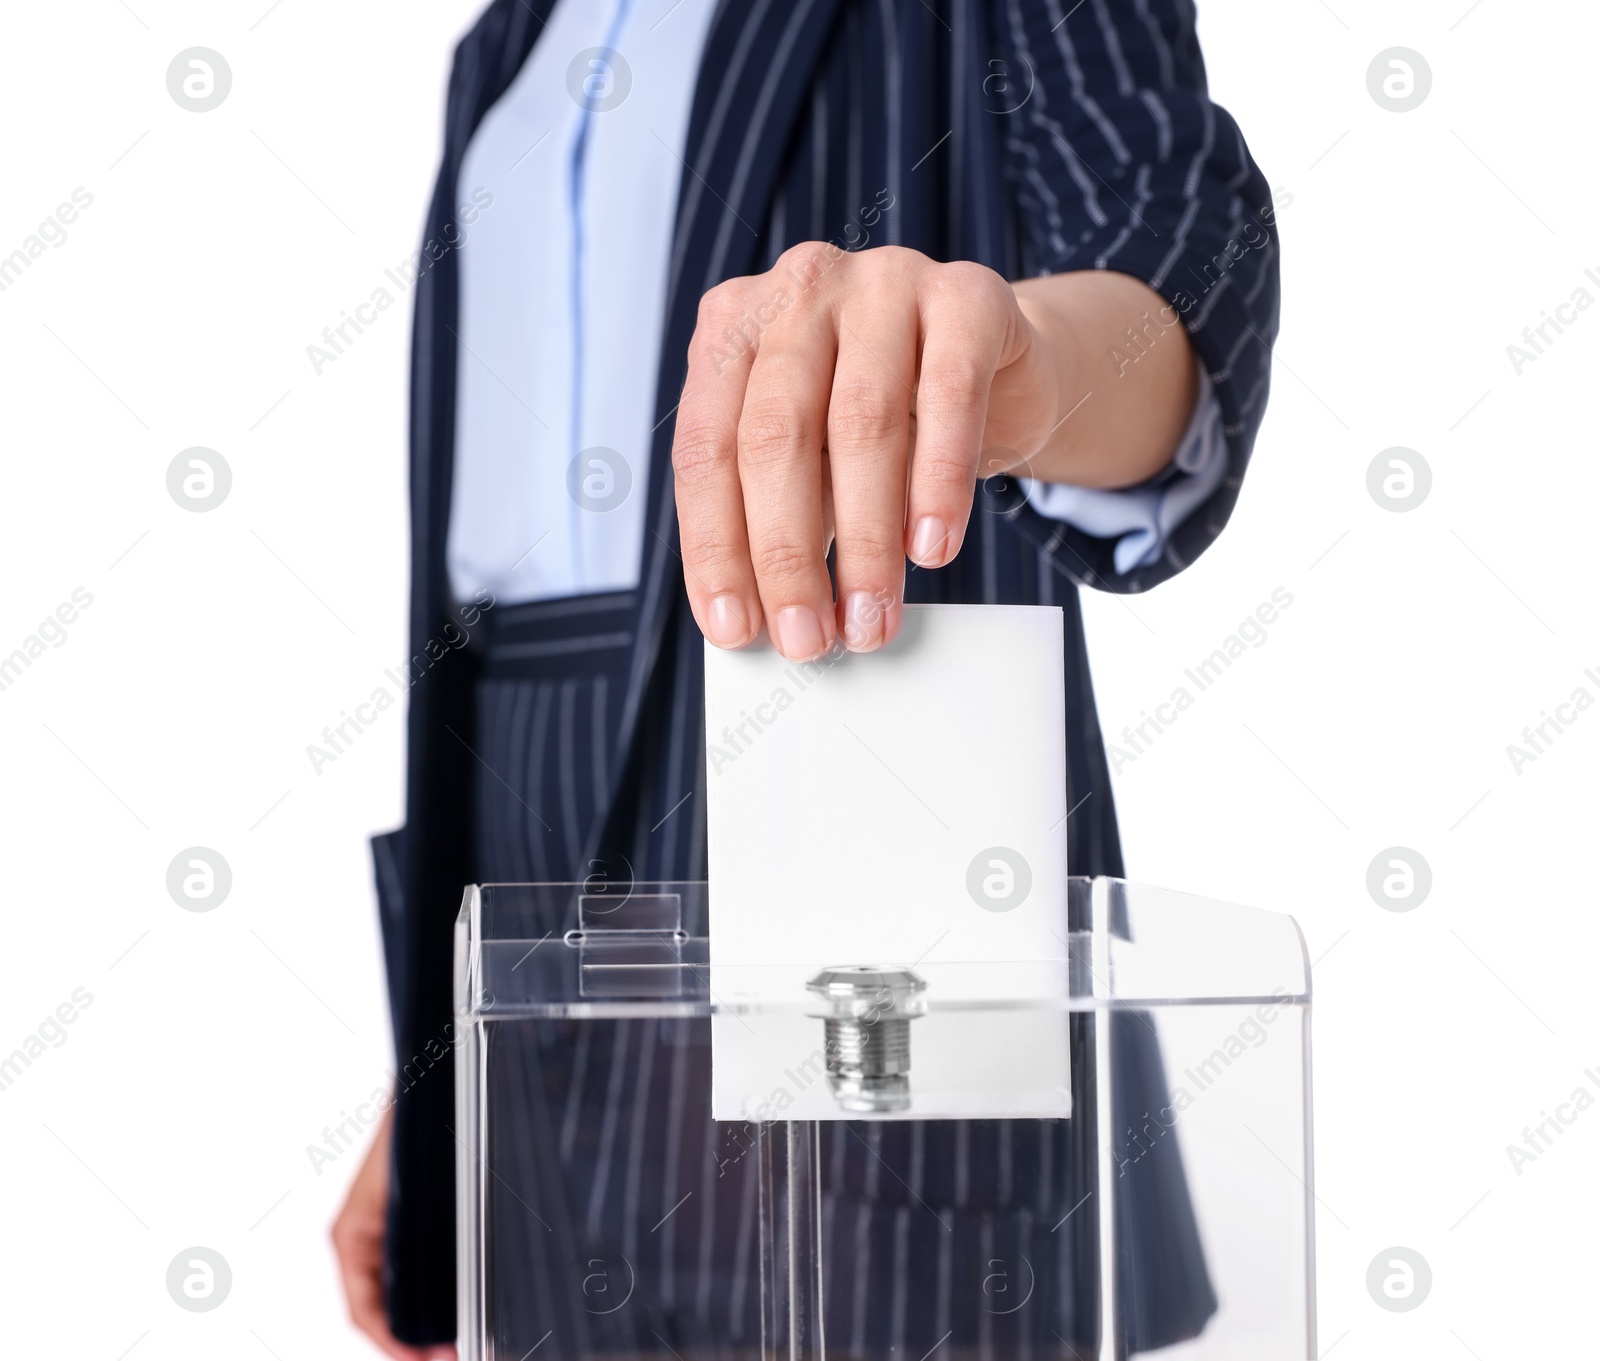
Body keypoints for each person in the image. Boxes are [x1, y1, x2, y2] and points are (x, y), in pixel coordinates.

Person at [334, 1, 1280, 1357]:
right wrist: (430, 1073)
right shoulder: (500, 43)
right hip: (515, 830)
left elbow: (1181, 255)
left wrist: (1008, 358)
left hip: (839, 777)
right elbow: (492, 581)